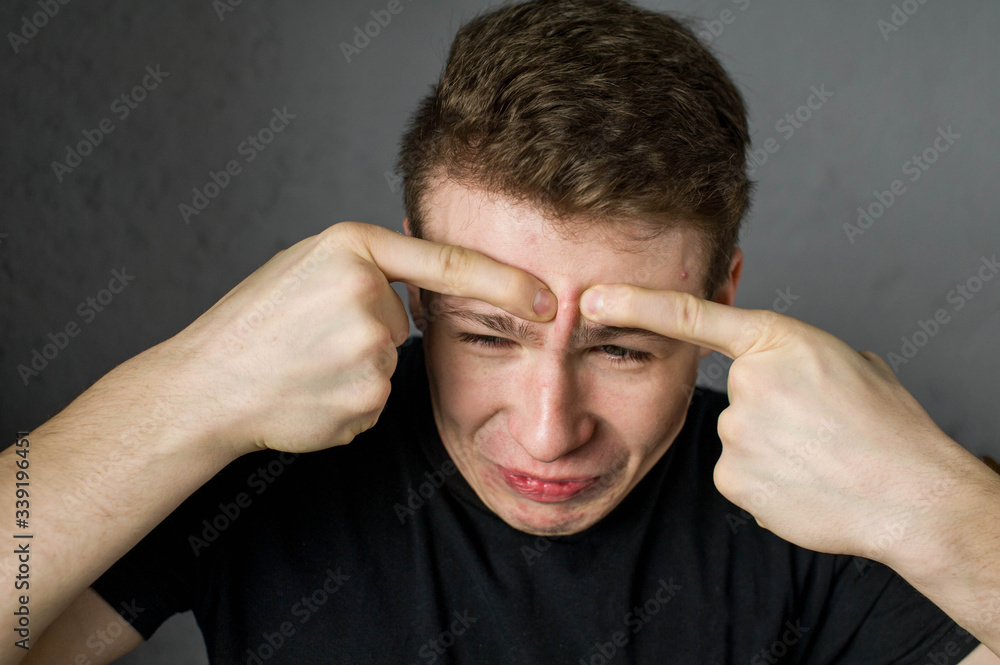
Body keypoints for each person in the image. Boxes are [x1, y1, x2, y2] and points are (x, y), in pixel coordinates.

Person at [5, 0, 999, 663]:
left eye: (622, 349)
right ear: (414, 287)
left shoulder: (815, 500)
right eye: (487, 334)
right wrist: (193, 388)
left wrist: (936, 500)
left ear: (722, 299)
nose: (547, 432)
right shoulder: (261, 447)